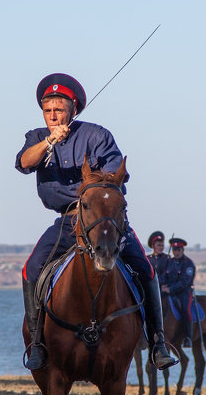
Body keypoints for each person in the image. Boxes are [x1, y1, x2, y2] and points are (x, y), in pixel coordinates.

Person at [16, 72, 176, 371]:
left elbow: (116, 174)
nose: (53, 115)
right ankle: (37, 343)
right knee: (31, 269)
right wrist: (51, 140)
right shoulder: (37, 137)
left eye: (59, 110)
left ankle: (157, 344)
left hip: (101, 217)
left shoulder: (97, 135)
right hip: (66, 221)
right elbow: (25, 163)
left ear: (73, 110)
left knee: (145, 268)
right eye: (48, 110)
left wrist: (90, 181)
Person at [164, 237, 196, 347]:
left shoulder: (188, 264)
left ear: (183, 250)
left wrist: (170, 289)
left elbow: (184, 282)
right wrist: (162, 285)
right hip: (169, 292)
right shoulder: (169, 262)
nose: (176, 252)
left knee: (185, 310)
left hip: (184, 292)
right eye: (174, 250)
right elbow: (164, 276)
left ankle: (188, 337)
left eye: (178, 250)